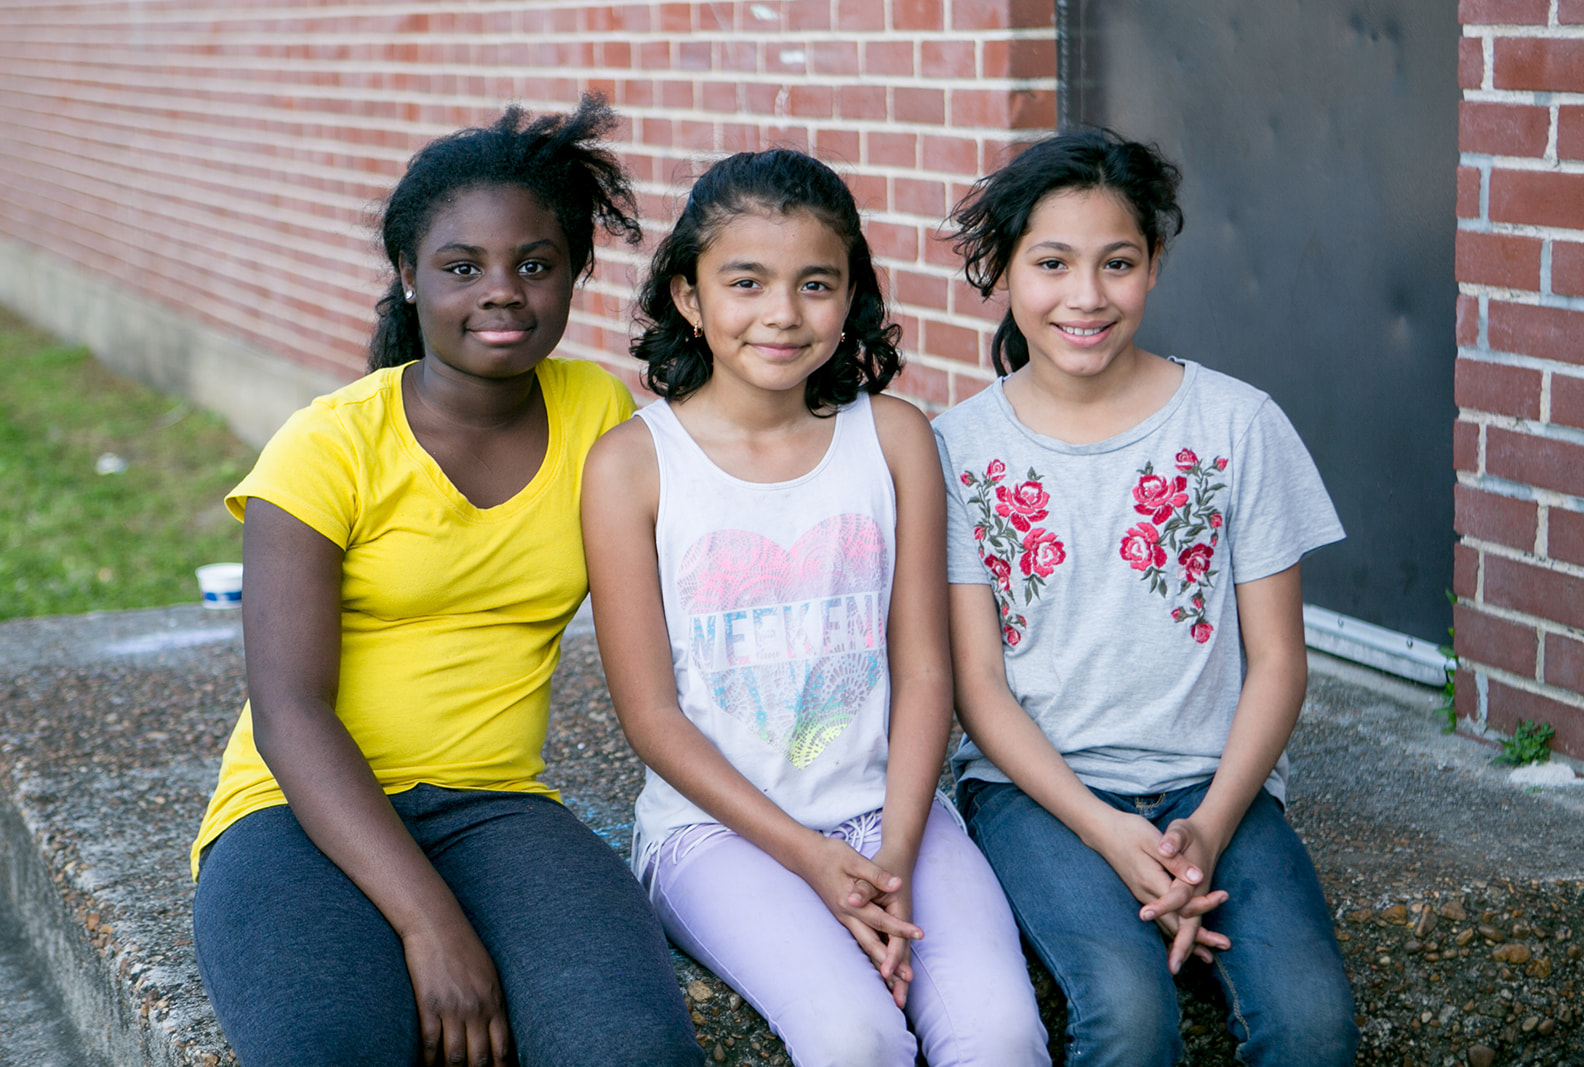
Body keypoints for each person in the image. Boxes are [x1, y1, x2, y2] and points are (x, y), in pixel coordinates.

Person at [189, 97, 703, 1067]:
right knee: (331, 1046)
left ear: (573, 275)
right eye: (463, 267)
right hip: (294, 809)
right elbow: (288, 708)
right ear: (408, 277)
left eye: (535, 264)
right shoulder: (327, 443)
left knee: (630, 1046)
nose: (501, 291)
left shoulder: (596, 409)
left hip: (495, 804)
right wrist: (430, 922)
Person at [580, 148, 1048, 1067]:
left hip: (891, 814)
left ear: (852, 296)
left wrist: (898, 855)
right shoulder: (634, 465)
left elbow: (923, 670)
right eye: (745, 282)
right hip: (718, 834)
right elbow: (650, 715)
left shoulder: (898, 437)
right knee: (853, 1036)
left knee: (999, 1035)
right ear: (688, 295)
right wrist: (809, 857)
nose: (783, 314)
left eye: (816, 283)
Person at [934, 128, 1360, 1067]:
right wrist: (1106, 829)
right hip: (1036, 793)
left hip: (1218, 788)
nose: (1086, 296)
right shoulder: (956, 449)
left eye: (1117, 262)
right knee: (1128, 1013)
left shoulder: (1238, 423)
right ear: (1004, 269)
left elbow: (1280, 662)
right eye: (1051, 263)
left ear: (1155, 264)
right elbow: (979, 688)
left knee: (1311, 1022)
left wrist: (1207, 827)